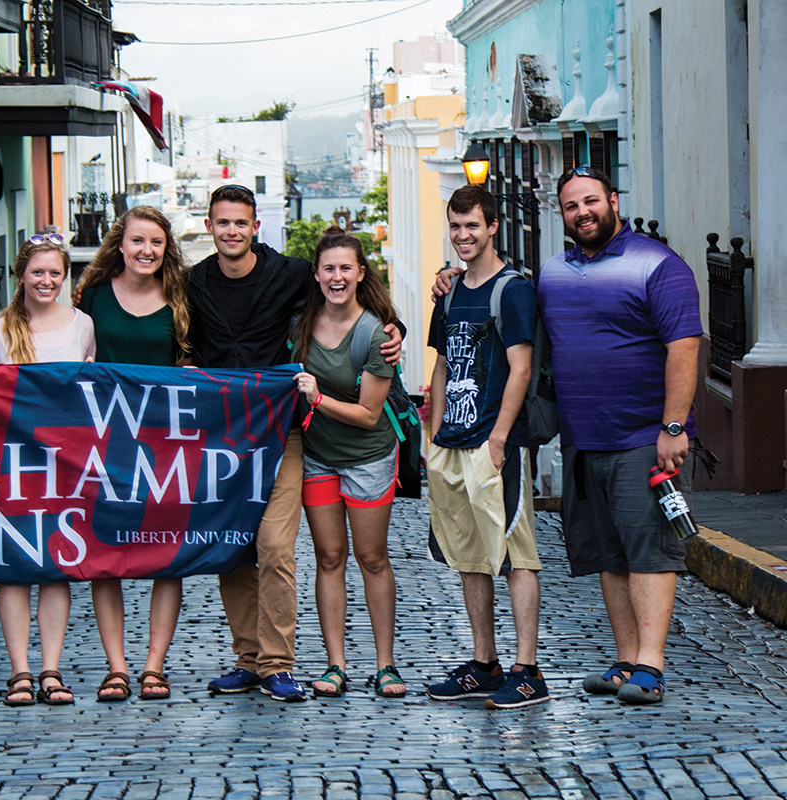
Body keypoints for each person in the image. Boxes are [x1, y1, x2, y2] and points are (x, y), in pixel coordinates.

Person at [188, 184, 403, 703]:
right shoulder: (193, 281)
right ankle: (248, 659)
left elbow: (347, 291)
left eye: (241, 222)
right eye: (223, 223)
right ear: (210, 226)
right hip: (220, 437)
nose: (232, 231)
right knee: (231, 552)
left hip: (280, 432)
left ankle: (279, 663)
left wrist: (392, 325)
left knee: (277, 548)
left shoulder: (288, 273)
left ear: (256, 225)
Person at [542, 166, 701, 705]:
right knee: (608, 554)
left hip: (643, 439)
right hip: (583, 440)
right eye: (571, 206)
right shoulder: (553, 272)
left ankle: (651, 668)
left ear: (613, 200)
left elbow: (684, 345)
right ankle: (626, 660)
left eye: (591, 201)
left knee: (648, 550)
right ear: (561, 214)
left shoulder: (659, 264)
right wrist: (450, 279)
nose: (582, 213)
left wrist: (673, 427)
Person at [423, 185, 547, 710]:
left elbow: (522, 367)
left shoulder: (512, 289)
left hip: (495, 443)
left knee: (518, 555)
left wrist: (499, 439)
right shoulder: (449, 291)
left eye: (472, 225)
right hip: (451, 441)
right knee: (470, 556)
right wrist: (432, 436)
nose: (463, 235)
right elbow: (444, 364)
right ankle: (484, 662)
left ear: (493, 226)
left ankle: (527, 670)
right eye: (455, 226)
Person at [76, 207, 191, 702]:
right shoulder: (91, 298)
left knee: (168, 556)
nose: (147, 251)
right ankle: (116, 667)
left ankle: (154, 666)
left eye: (157, 243)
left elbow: (195, 368)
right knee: (106, 554)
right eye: (138, 241)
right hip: (105, 443)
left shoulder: (182, 299)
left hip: (167, 444)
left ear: (167, 250)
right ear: (120, 244)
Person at [0, 234, 96, 706]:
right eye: (38, 272)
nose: (46, 281)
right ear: (21, 275)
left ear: (65, 277)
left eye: (55, 273)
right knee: (16, 566)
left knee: (56, 564)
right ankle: (20, 671)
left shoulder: (83, 325)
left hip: (64, 461)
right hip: (13, 459)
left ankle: (51, 667)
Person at [291, 227, 405, 700]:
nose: (337, 277)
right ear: (316, 274)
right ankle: (334, 664)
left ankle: (385, 665)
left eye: (345, 269)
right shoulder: (299, 322)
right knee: (329, 557)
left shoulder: (376, 334)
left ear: (360, 273)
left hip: (367, 458)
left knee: (372, 558)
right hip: (318, 457)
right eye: (328, 269)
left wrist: (316, 400)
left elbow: (368, 414)